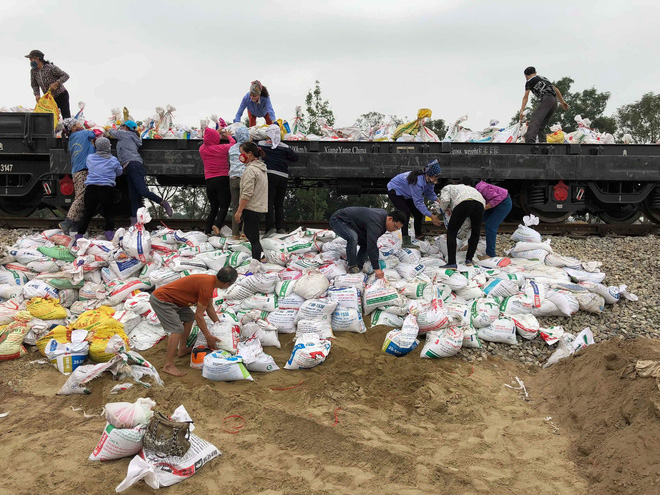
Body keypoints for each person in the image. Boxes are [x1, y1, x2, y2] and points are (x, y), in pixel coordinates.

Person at [150, 267, 239, 377]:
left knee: (189, 317)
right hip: (162, 300)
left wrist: (220, 326)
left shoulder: (210, 282)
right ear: (227, 284)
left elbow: (209, 308)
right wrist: (208, 336)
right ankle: (168, 365)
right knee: (177, 329)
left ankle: (182, 349)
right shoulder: (207, 286)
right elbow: (199, 316)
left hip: (175, 301)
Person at [106, 121, 173, 223]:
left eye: (122, 126)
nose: (121, 128)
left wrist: (107, 128)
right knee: (133, 197)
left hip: (133, 165)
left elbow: (111, 131)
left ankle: (163, 203)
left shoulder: (125, 134)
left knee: (142, 191)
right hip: (130, 167)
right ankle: (134, 223)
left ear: (125, 128)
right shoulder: (132, 136)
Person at [329, 207, 407, 278]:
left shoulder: (383, 219)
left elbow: (371, 242)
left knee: (366, 242)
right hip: (338, 220)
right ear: (390, 219)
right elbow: (372, 245)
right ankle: (352, 266)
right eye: (395, 227)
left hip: (352, 224)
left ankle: (358, 267)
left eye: (397, 229)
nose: (395, 230)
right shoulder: (377, 222)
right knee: (353, 237)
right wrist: (376, 268)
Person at [74, 137, 122, 242]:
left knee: (87, 213)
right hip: (106, 189)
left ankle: (79, 236)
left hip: (91, 189)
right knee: (108, 213)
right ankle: (109, 235)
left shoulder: (90, 158)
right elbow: (119, 172)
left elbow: (88, 166)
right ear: (108, 147)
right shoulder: (113, 160)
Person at [387, 159, 443, 248]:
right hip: (395, 190)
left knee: (418, 213)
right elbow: (418, 202)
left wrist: (439, 201)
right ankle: (405, 241)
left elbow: (429, 193)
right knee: (405, 213)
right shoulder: (417, 181)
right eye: (435, 176)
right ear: (428, 175)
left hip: (407, 193)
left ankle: (418, 237)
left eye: (438, 177)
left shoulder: (430, 181)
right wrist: (431, 216)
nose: (436, 179)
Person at [259, 125, 299, 237]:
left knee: (269, 203)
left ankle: (269, 229)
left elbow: (255, 151)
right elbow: (295, 158)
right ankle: (280, 228)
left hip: (270, 175)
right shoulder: (284, 146)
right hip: (283, 176)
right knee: (279, 204)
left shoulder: (262, 144)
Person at [59, 119, 96, 234]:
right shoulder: (84, 133)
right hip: (83, 169)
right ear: (73, 127)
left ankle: (75, 226)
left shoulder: (71, 138)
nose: (81, 124)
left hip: (76, 170)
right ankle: (67, 223)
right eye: (78, 123)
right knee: (81, 197)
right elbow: (94, 133)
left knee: (82, 198)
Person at [438, 182, 485, 269]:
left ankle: (452, 262)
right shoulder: (472, 189)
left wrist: (441, 210)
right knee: (475, 232)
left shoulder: (448, 187)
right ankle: (469, 260)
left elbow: (445, 200)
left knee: (451, 232)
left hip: (463, 203)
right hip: (480, 204)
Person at [234, 142, 268, 260]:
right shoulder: (261, 168)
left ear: (249, 154)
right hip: (260, 206)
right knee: (251, 235)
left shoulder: (251, 170)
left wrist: (239, 211)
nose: (240, 156)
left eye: (241, 153)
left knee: (253, 239)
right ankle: (260, 257)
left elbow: (247, 193)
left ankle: (256, 263)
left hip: (251, 208)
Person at [199, 126, 235, 235]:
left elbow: (208, 140)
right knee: (224, 206)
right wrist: (229, 136)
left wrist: (216, 133)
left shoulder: (202, 149)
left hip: (209, 180)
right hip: (222, 179)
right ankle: (217, 225)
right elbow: (233, 144)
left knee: (214, 208)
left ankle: (207, 230)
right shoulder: (222, 148)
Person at [520, 66, 569, 143]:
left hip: (546, 99)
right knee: (540, 125)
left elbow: (525, 97)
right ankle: (543, 143)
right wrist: (562, 102)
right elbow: (556, 89)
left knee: (535, 121)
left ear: (526, 75)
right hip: (554, 101)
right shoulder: (544, 78)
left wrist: (522, 111)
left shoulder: (529, 81)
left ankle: (529, 142)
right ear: (535, 73)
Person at [26, 49, 71, 119]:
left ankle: (69, 129)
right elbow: (34, 84)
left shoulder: (50, 68)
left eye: (31, 59)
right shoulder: (33, 71)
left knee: (66, 117)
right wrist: (37, 94)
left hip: (61, 95)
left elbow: (65, 76)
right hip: (49, 99)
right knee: (49, 119)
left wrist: (56, 83)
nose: (30, 61)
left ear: (37, 59)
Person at [474, 179, 512, 258]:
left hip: (503, 203)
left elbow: (497, 199)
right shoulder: (477, 189)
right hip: (494, 203)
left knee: (490, 226)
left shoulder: (482, 189)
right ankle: (471, 244)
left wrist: (483, 208)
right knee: (475, 220)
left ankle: (490, 254)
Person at [227, 126, 251, 239]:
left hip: (233, 179)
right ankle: (244, 233)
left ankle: (235, 234)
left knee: (235, 207)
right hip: (245, 179)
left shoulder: (231, 148)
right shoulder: (249, 148)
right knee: (246, 206)